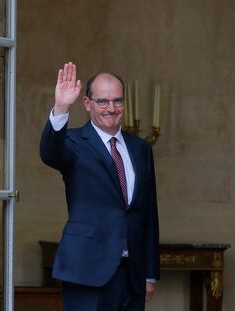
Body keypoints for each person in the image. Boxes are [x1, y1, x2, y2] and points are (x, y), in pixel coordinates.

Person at [39, 62, 160, 311]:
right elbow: (50, 153)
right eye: (103, 101)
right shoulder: (73, 142)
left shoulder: (141, 149)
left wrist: (149, 273)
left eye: (117, 101)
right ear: (87, 103)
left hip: (132, 274)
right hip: (87, 270)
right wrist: (61, 107)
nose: (111, 108)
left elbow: (149, 214)